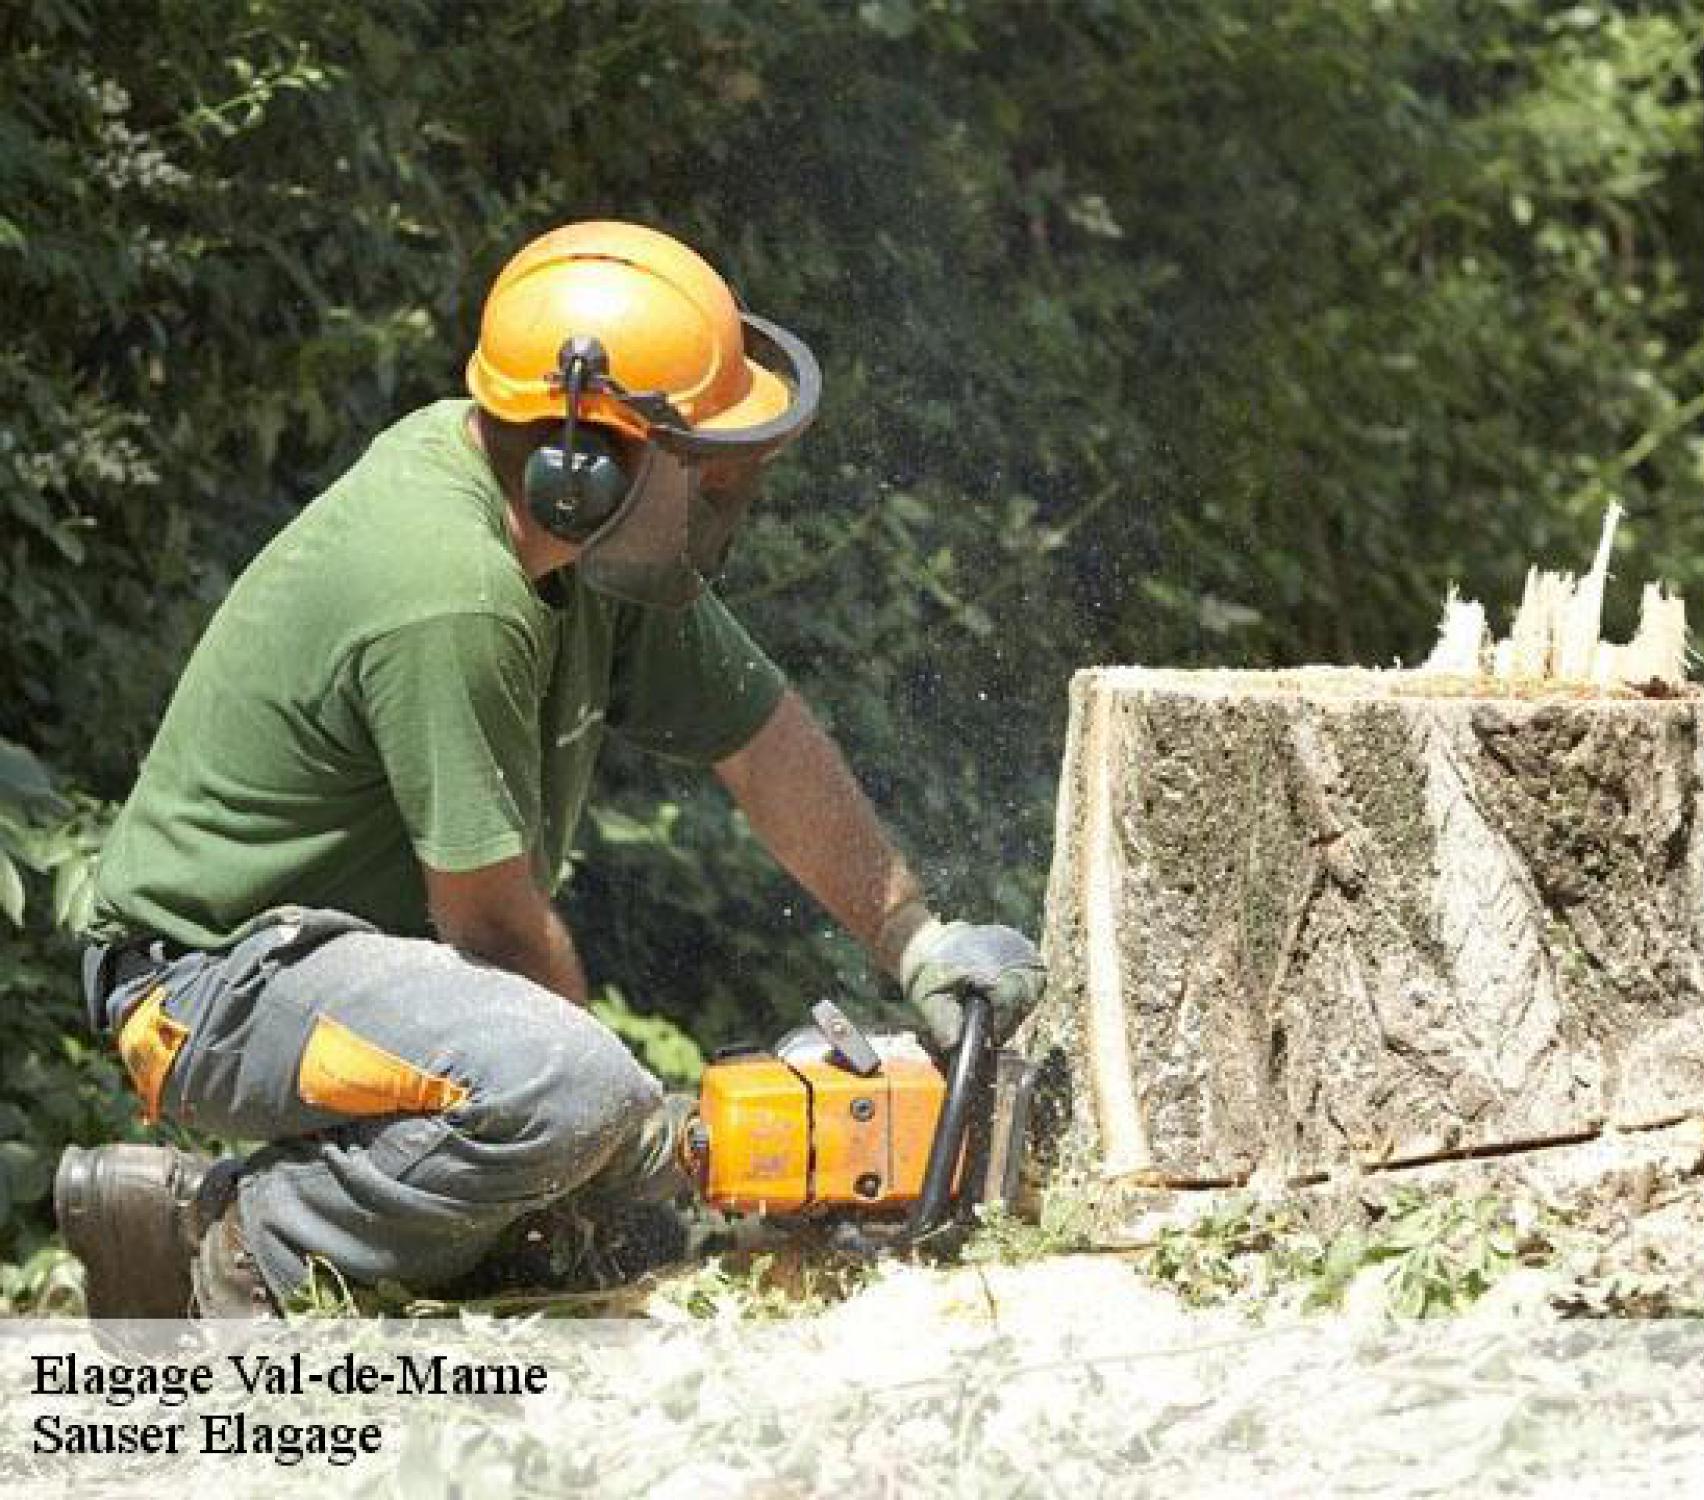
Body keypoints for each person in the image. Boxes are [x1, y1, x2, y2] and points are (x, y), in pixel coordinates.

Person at [55, 220, 1045, 1318]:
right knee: (570, 1100)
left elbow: (765, 743)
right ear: (585, 465)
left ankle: (208, 1218)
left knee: (594, 1219)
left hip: (353, 968)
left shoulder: (582, 545)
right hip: (209, 985)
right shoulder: (452, 591)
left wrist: (915, 941)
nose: (726, 499)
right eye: (707, 472)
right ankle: (229, 1253)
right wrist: (620, 1144)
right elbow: (494, 930)